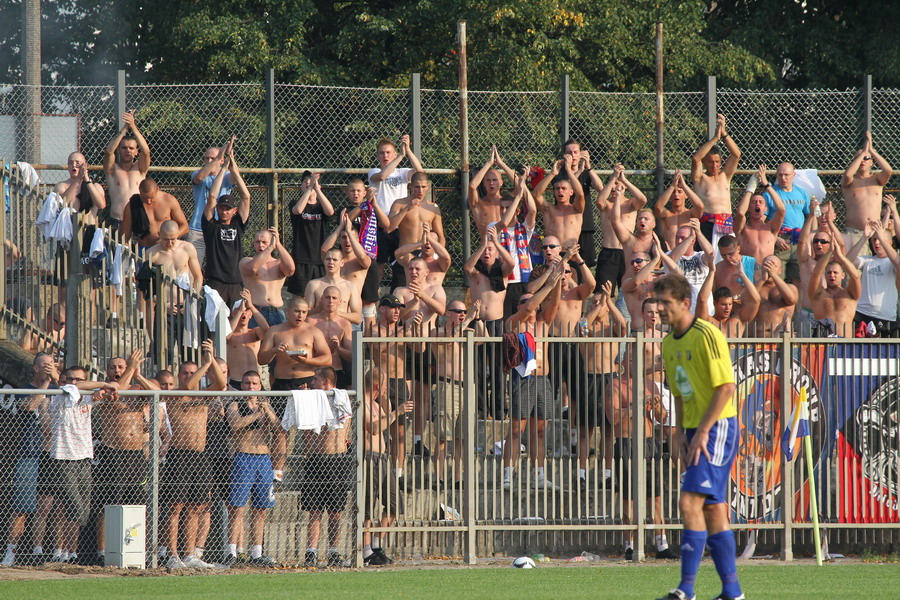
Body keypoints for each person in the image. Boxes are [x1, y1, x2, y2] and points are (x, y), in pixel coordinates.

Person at [653, 273, 743, 600]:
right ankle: (732, 592)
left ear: (685, 303)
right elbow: (678, 391)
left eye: (666, 302)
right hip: (694, 429)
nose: (659, 309)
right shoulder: (668, 343)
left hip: (718, 426)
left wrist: (703, 430)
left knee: (689, 500)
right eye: (656, 302)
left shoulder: (707, 334)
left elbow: (726, 387)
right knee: (714, 510)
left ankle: (686, 590)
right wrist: (679, 430)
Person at [159, 347, 225, 569]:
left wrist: (211, 358)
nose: (189, 376)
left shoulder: (203, 396)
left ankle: (190, 555)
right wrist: (205, 366)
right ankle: (172, 555)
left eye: (192, 372)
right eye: (185, 372)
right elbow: (187, 386)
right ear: (179, 375)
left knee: (197, 506)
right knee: (175, 506)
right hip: (180, 455)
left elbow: (222, 385)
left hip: (200, 455)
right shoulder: (176, 393)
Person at [501, 260, 563, 491]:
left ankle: (539, 475)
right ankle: (508, 474)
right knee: (517, 429)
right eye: (525, 302)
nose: (531, 306)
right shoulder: (514, 323)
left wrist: (556, 282)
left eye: (534, 303)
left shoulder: (541, 324)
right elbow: (528, 307)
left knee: (539, 430)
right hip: (523, 379)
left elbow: (554, 303)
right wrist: (548, 284)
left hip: (543, 380)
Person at [47, 366, 119, 565]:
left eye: (79, 379)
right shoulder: (60, 395)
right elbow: (77, 388)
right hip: (63, 458)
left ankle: (71, 553)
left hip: (84, 458)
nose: (75, 382)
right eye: (71, 379)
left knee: (84, 512)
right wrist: (104, 384)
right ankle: (60, 550)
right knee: (74, 508)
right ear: (63, 380)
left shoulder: (87, 397)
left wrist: (106, 392)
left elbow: (109, 392)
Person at [257, 296, 332, 478]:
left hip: (305, 380)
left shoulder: (313, 331)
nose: (301, 315)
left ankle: (313, 470)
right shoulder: (275, 331)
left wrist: (307, 360)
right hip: (282, 383)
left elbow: (327, 358)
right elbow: (261, 359)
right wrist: (275, 351)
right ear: (288, 310)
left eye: (304, 312)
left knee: (309, 428)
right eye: (297, 311)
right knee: (279, 429)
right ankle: (277, 472)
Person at [1, 353, 57, 567]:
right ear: (35, 368)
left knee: (52, 508)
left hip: (55, 455)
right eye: (45, 365)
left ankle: (43, 552)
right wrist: (44, 385)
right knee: (22, 507)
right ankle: (10, 551)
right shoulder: (23, 388)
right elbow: (28, 406)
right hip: (29, 454)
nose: (49, 368)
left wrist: (57, 381)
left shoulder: (61, 389)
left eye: (52, 365)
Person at [423, 299, 485, 489]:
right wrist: (468, 321)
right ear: (447, 313)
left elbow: (483, 340)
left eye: (464, 311)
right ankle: (439, 478)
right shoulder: (437, 332)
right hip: (446, 387)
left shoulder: (467, 331)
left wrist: (479, 318)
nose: (461, 314)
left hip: (467, 387)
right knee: (443, 436)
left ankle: (458, 478)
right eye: (457, 311)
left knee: (462, 437)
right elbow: (450, 339)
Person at [300, 366, 354, 567]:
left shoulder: (341, 398)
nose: (312, 383)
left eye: (315, 379)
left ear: (326, 381)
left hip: (337, 460)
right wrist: (305, 401)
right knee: (314, 510)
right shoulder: (311, 401)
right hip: (315, 459)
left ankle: (333, 551)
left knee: (336, 511)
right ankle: (311, 552)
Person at [224, 371, 279, 567]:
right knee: (238, 508)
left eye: (255, 384)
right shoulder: (234, 404)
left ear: (260, 386)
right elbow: (235, 423)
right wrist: (257, 414)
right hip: (243, 457)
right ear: (242, 385)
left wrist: (268, 412)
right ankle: (231, 552)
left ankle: (257, 552)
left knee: (261, 509)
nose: (251, 387)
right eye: (247, 383)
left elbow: (279, 429)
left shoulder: (266, 406)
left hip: (263, 459)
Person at [360, 367, 414, 566]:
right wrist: (396, 412)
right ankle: (366, 552)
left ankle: (376, 544)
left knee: (393, 506)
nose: (386, 389)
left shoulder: (376, 405)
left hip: (383, 459)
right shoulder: (362, 404)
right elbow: (374, 428)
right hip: (368, 458)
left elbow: (384, 423)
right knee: (366, 508)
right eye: (384, 385)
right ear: (377, 385)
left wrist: (387, 406)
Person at [575, 283, 626, 491]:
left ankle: (607, 474)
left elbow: (623, 326)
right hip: (589, 379)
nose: (596, 305)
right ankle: (581, 474)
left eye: (600, 303)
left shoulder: (610, 329)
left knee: (607, 430)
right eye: (593, 303)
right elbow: (581, 328)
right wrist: (598, 305)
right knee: (585, 430)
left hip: (608, 379)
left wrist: (609, 301)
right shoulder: (585, 326)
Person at [463, 226, 516, 418]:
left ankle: (499, 410)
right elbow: (467, 267)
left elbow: (511, 264)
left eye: (490, 251)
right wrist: (483, 245)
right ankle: (480, 410)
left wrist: (496, 244)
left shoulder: (500, 271)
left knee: (497, 370)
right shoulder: (476, 272)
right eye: (485, 250)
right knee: (476, 369)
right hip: (477, 322)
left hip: (495, 323)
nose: (487, 253)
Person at [368, 135, 425, 282]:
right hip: (381, 225)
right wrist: (400, 156)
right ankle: (376, 299)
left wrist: (408, 151)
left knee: (400, 264)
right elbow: (382, 176)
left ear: (393, 154)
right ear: (377, 156)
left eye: (388, 152)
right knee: (378, 265)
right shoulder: (373, 171)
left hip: (399, 224)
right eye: (382, 153)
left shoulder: (402, 172)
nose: (385, 155)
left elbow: (420, 173)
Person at [203, 139, 251, 308]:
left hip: (237, 282)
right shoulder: (211, 226)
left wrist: (233, 166)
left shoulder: (238, 224)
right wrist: (223, 169)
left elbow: (246, 196)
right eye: (221, 208)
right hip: (216, 282)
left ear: (234, 210)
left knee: (236, 325)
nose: (224, 211)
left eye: (227, 209)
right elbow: (212, 197)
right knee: (212, 325)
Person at [594, 164, 648, 294]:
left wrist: (624, 180)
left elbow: (642, 199)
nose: (615, 187)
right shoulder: (607, 205)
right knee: (603, 293)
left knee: (629, 293)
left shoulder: (630, 204)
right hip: (609, 253)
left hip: (628, 252)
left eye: (618, 184)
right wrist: (613, 178)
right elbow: (599, 201)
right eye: (613, 185)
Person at [691, 113, 742, 247]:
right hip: (708, 224)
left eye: (717, 162)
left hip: (725, 224)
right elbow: (696, 158)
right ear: (705, 163)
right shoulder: (700, 178)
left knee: (727, 257)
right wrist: (715, 138)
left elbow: (736, 154)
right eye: (710, 162)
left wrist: (724, 134)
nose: (714, 165)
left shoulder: (725, 176)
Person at [846, 219, 900, 337]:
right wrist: (864, 237)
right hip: (862, 314)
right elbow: (847, 261)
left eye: (880, 240)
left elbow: (897, 262)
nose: (877, 243)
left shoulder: (893, 262)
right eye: (874, 239)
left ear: (889, 242)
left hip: (885, 317)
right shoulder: (868, 260)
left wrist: (882, 237)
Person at [841, 130, 893, 250]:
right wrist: (864, 152)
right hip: (855, 232)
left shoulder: (877, 179)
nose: (862, 161)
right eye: (859, 159)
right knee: (856, 266)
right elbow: (848, 174)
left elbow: (888, 171)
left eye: (866, 158)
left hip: (876, 232)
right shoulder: (850, 181)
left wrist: (872, 151)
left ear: (871, 162)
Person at [494, 174, 537, 316]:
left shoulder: (524, 228)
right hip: (505, 281)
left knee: (525, 317)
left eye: (508, 208)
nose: (504, 211)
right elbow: (504, 223)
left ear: (517, 211)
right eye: (501, 208)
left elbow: (533, 210)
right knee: (506, 319)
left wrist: (523, 186)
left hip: (525, 280)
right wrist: (518, 196)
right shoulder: (494, 227)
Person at [286, 172, 335, 297]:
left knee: (319, 297)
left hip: (319, 259)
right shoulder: (295, 203)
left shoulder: (321, 206)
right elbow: (297, 210)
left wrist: (316, 189)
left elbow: (330, 212)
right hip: (301, 258)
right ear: (301, 187)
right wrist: (309, 189)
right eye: (305, 182)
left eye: (311, 181)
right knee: (299, 297)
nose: (308, 183)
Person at [102, 110, 150, 225]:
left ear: (136, 152)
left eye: (131, 148)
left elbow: (146, 152)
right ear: (118, 150)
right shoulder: (112, 170)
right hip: (117, 220)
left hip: (138, 220)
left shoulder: (140, 169)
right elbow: (109, 152)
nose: (128, 150)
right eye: (124, 148)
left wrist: (133, 126)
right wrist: (124, 129)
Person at [808, 232, 862, 337]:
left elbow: (855, 276)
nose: (832, 275)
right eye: (828, 272)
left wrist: (841, 257)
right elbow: (816, 274)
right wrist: (829, 253)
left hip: (845, 345)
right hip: (823, 344)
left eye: (835, 273)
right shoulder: (818, 294)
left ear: (842, 275)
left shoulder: (850, 294)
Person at [562, 139, 605, 270]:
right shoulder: (560, 172)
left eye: (576, 152)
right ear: (564, 155)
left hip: (585, 224)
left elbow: (600, 188)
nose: (573, 155)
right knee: (569, 264)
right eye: (569, 152)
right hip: (568, 225)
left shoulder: (586, 172)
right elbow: (567, 186)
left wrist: (588, 167)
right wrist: (578, 171)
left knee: (585, 264)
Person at [763, 162, 809, 282]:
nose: (783, 178)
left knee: (799, 279)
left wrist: (806, 236)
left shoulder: (802, 193)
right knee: (775, 280)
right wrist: (775, 238)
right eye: (780, 175)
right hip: (780, 239)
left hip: (798, 240)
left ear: (793, 175)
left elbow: (810, 216)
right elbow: (761, 221)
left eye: (786, 175)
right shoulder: (770, 193)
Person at [240, 228, 295, 327]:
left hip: (277, 311)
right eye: (257, 242)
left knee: (278, 342)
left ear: (272, 241)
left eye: (264, 242)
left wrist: (278, 244)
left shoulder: (278, 263)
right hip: (255, 311)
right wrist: (270, 247)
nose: (260, 245)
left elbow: (290, 270)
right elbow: (253, 268)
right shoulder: (246, 261)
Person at [189, 142, 234, 263]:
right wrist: (218, 158)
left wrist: (231, 158)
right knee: (193, 267)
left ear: (222, 160)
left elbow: (234, 178)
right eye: (206, 158)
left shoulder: (227, 175)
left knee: (220, 264)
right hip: (197, 228)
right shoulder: (197, 173)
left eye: (212, 158)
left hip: (219, 227)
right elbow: (199, 178)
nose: (209, 160)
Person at [733, 165, 786, 264]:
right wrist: (751, 188)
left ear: (765, 209)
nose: (757, 203)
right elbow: (740, 213)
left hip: (766, 268)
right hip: (747, 269)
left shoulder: (771, 227)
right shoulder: (743, 229)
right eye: (754, 202)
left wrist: (766, 184)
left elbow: (781, 209)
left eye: (761, 202)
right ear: (748, 208)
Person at [695, 260, 760, 338]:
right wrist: (712, 272)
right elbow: (702, 300)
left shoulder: (738, 320)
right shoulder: (707, 320)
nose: (727, 308)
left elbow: (756, 300)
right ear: (715, 303)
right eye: (723, 304)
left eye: (730, 304)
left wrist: (742, 274)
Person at [532, 157, 585, 247]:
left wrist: (569, 170)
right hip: (553, 254)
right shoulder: (548, 209)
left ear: (571, 192)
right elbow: (536, 194)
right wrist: (552, 174)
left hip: (571, 253)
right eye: (557, 189)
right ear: (554, 192)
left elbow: (580, 195)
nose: (560, 191)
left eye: (564, 188)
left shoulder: (576, 209)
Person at [120, 178, 189, 247]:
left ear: (157, 189)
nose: (148, 201)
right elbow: (125, 236)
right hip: (145, 249)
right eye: (144, 198)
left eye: (151, 197)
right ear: (139, 191)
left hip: (167, 248)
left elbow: (184, 226)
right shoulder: (132, 205)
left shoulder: (169, 200)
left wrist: (169, 239)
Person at [308, 286, 353, 389]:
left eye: (334, 298)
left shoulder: (344, 324)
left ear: (340, 301)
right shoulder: (310, 322)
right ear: (322, 299)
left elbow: (351, 356)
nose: (331, 301)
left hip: (336, 372)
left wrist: (338, 348)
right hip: (315, 372)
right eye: (328, 297)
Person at [387, 172, 445, 251]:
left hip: (425, 253)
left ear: (428, 186)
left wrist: (438, 256)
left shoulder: (433, 207)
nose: (420, 190)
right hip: (406, 252)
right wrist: (407, 208)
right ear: (411, 186)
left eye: (423, 187)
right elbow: (389, 228)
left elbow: (441, 237)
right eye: (417, 187)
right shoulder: (399, 203)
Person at [468, 145, 516, 237]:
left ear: (501, 183)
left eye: (495, 180)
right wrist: (489, 163)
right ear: (484, 183)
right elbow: (472, 186)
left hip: (506, 248)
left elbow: (520, 185)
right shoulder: (479, 204)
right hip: (487, 248)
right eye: (488, 180)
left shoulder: (508, 203)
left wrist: (501, 164)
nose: (491, 183)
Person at [667, 218, 714, 313]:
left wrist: (698, 233)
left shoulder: (700, 255)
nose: (679, 241)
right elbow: (672, 259)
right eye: (677, 237)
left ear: (693, 241)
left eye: (683, 238)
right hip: (681, 312)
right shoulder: (669, 254)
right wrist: (690, 237)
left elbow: (711, 254)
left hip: (704, 310)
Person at [306, 248, 363, 325]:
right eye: (328, 259)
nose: (331, 262)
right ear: (324, 262)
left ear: (342, 263)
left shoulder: (350, 286)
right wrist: (319, 309)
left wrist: (335, 312)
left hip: (340, 330)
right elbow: (305, 314)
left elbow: (358, 318)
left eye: (335, 260)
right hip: (318, 329)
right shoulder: (313, 284)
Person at [226, 290, 270, 389]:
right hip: (237, 382)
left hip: (254, 382)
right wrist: (240, 311)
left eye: (246, 311)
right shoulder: (231, 335)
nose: (243, 313)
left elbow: (267, 330)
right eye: (240, 310)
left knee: (263, 405)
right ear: (234, 313)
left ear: (251, 315)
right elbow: (226, 336)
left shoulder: (254, 332)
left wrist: (251, 306)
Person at [145, 220, 204, 291]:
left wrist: (194, 294)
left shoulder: (187, 248)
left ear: (177, 234)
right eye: (166, 239)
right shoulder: (152, 254)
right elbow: (144, 282)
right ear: (159, 234)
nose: (169, 243)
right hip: (164, 300)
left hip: (186, 298)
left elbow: (198, 276)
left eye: (173, 239)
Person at [653, 170, 704, 251]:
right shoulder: (666, 215)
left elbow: (700, 206)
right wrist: (673, 186)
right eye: (673, 192)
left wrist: (684, 186)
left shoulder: (691, 214)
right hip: (669, 254)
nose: (676, 194)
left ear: (686, 195)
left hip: (686, 255)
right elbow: (658, 207)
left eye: (680, 192)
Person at [749, 255, 798, 337]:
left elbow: (791, 299)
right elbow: (746, 300)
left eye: (773, 266)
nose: (769, 268)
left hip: (779, 336)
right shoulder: (755, 287)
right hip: (756, 337)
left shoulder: (790, 287)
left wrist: (773, 275)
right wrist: (762, 279)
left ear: (780, 271)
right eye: (766, 265)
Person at [54, 152, 106, 224]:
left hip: (89, 229)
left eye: (77, 163)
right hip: (69, 228)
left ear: (85, 166)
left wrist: (87, 181)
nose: (74, 165)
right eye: (70, 163)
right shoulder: (61, 186)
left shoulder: (95, 186)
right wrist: (78, 180)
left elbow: (101, 205)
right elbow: (61, 205)